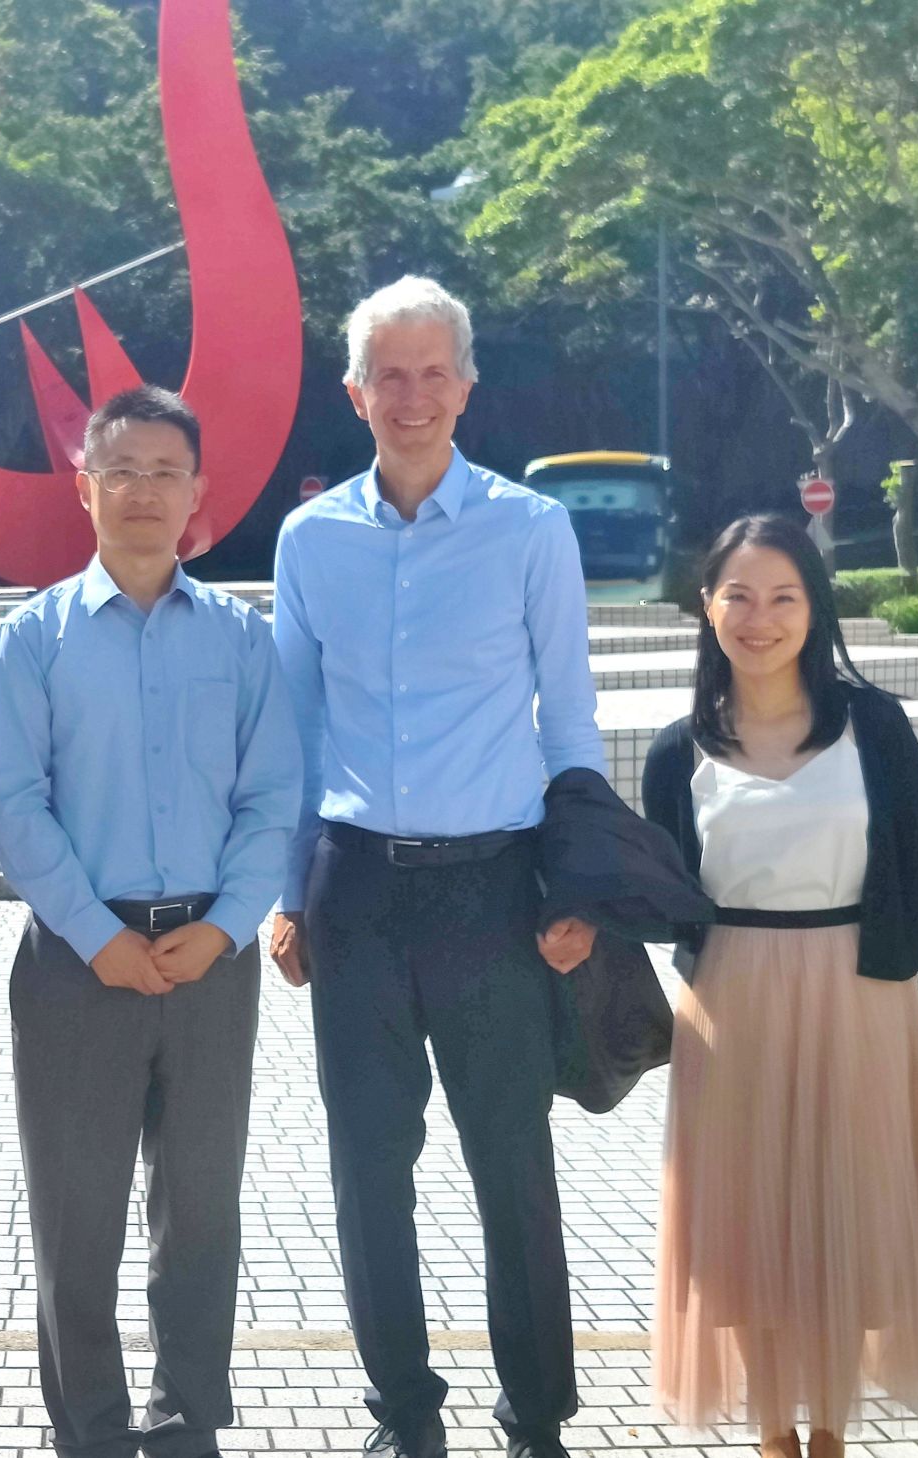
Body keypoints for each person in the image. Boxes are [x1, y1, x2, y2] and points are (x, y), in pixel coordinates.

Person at [268, 276, 601, 1458]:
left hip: (494, 890)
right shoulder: (309, 541)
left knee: (510, 1160)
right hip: (352, 890)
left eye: (432, 373)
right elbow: (292, 738)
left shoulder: (528, 530)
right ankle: (402, 1416)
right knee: (368, 1171)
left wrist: (577, 893)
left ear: (465, 385)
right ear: (354, 393)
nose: (411, 397)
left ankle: (536, 1418)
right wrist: (282, 895)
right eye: (387, 376)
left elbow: (568, 725)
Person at [0, 385, 301, 1458]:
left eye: (165, 470)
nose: (142, 492)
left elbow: (271, 798)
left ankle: (185, 1419)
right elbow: (15, 807)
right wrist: (94, 935)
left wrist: (225, 927)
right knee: (78, 1220)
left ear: (198, 491)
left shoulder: (243, 642)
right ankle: (92, 1429)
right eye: (119, 470)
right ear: (83, 487)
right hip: (78, 962)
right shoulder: (31, 641)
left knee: (199, 1212)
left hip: (210, 954)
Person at [642, 514, 918, 1458]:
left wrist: (889, 971)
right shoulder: (679, 748)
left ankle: (828, 1429)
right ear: (706, 608)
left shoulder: (874, 725)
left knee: (847, 1220)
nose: (760, 617)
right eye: (737, 595)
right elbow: (669, 888)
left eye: (784, 596)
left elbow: (917, 860)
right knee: (743, 1228)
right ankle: (773, 1432)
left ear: (815, 610)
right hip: (731, 1000)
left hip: (857, 994)